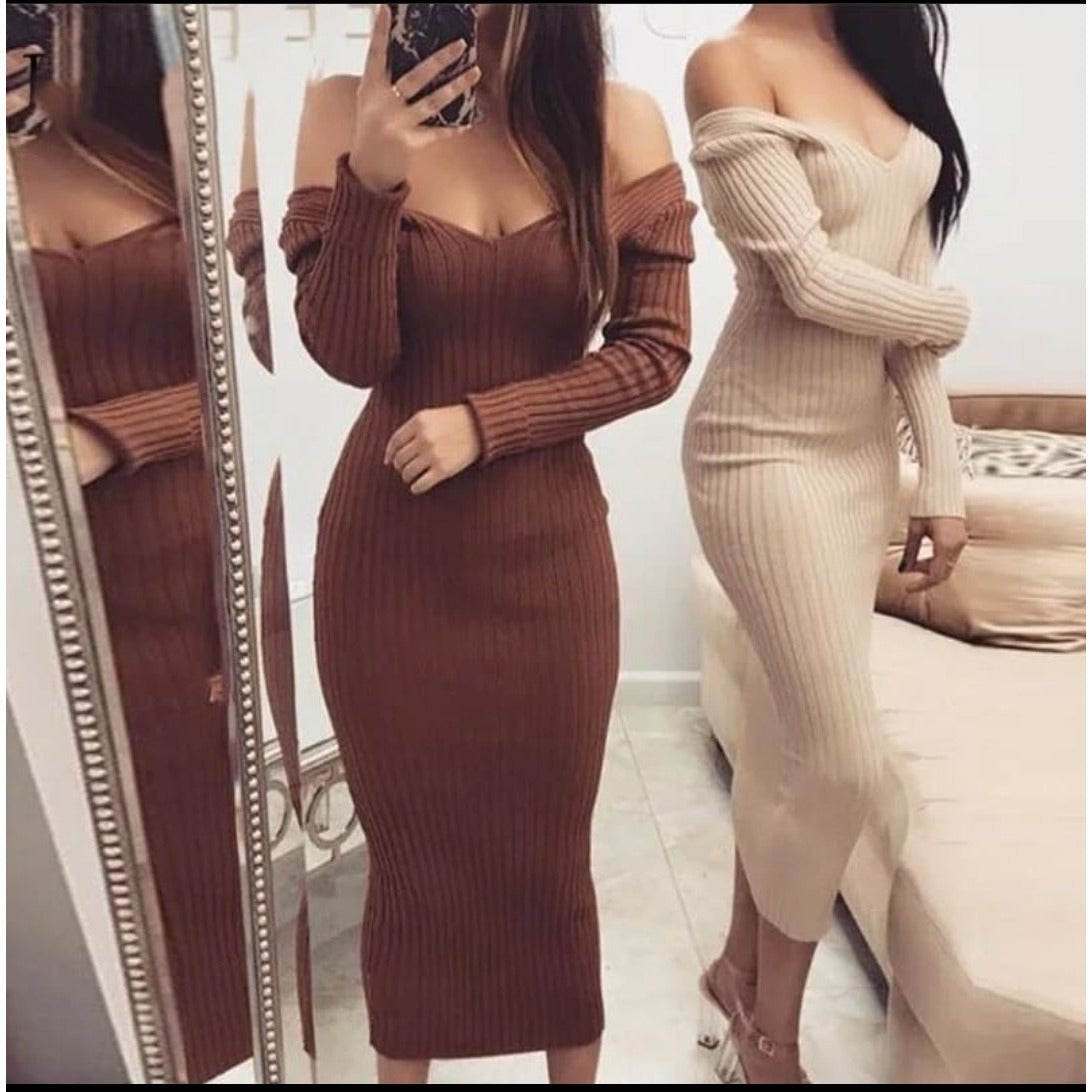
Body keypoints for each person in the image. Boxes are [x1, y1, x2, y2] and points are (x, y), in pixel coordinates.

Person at [280, 4, 695, 1083]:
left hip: (549, 561)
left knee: (547, 864)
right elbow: (349, 353)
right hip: (389, 564)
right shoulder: (338, 111)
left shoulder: (617, 121)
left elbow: (656, 350)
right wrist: (373, 178)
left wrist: (488, 422)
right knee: (412, 867)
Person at [681, 4, 970, 1082]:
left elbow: (904, 312)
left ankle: (734, 968)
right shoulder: (729, 64)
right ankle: (772, 1040)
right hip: (758, 449)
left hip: (858, 463)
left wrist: (941, 480)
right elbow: (807, 282)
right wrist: (948, 315)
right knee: (844, 758)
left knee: (788, 733)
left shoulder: (881, 59)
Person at [7, 5, 249, 1081]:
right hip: (40, 594)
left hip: (188, 562)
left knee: (200, 874)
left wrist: (104, 436)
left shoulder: (160, 126)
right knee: (80, 895)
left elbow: (249, 375)